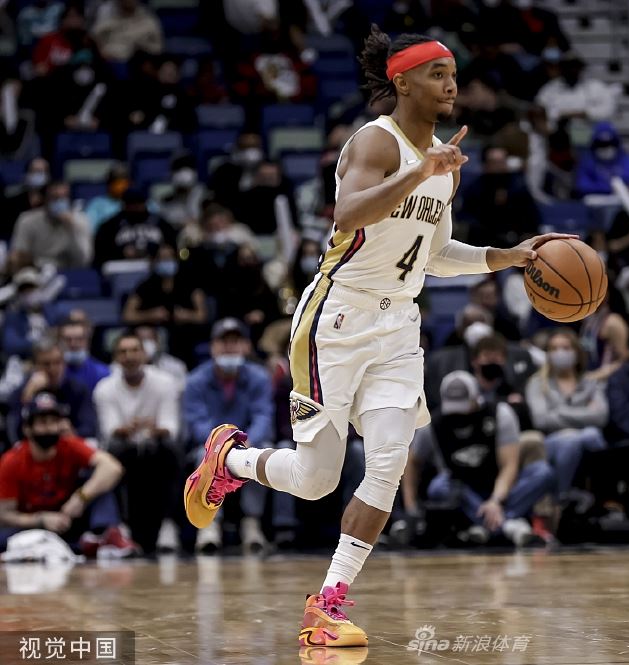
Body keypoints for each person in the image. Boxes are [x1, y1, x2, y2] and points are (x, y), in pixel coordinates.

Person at [182, 26, 571, 648]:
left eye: (453, 74)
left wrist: (507, 257)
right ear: (403, 82)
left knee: (389, 461)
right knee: (316, 479)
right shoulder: (375, 141)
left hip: (398, 326)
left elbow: (434, 254)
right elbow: (348, 213)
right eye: (438, 74)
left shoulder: (443, 162)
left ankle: (327, 604)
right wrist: (419, 173)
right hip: (336, 319)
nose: (451, 85)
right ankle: (228, 459)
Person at [403, 371, 555, 546]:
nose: (458, 414)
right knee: (439, 486)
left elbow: (509, 466)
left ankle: (486, 526)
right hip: (463, 491)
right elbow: (411, 462)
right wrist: (410, 507)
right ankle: (507, 526)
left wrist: (495, 501)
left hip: (500, 487)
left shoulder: (500, 414)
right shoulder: (432, 424)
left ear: (476, 398)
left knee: (542, 472)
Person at [0, 392, 132, 557]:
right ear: (27, 428)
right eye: (42, 423)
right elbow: (4, 514)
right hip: (32, 525)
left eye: (54, 422)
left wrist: (81, 497)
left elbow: (112, 468)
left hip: (69, 518)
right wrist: (40, 519)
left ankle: (103, 536)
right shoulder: (12, 460)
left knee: (100, 482)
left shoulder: (69, 444)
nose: (49, 428)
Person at [182, 318, 275, 554]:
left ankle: (251, 524)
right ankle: (209, 525)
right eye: (223, 342)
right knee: (200, 458)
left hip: (249, 442)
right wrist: (222, 447)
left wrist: (248, 442)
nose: (229, 348)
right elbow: (197, 423)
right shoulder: (195, 380)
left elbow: (263, 416)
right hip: (209, 447)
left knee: (262, 454)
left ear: (246, 346)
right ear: (212, 347)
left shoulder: (259, 377)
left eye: (235, 342)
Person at [93, 332, 180, 554]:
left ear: (145, 354)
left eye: (134, 350)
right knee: (113, 451)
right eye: (123, 352)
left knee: (170, 449)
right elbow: (111, 430)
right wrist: (134, 428)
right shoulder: (104, 388)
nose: (129, 356)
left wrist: (150, 429)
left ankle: (168, 525)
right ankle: (121, 526)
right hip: (125, 449)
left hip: (156, 446)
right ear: (115, 358)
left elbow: (170, 427)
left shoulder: (165, 382)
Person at [525, 329, 607, 497]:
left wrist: (559, 412)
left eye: (565, 348)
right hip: (550, 442)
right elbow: (541, 420)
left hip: (585, 437)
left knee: (592, 435)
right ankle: (562, 497)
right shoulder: (537, 383)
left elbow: (601, 416)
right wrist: (585, 413)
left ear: (576, 352)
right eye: (554, 348)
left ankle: (602, 495)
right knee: (573, 440)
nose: (560, 352)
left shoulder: (590, 382)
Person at [8, 339, 98, 443]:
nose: (53, 369)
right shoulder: (22, 391)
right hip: (35, 446)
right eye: (46, 364)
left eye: (57, 362)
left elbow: (89, 428)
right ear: (35, 366)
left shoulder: (78, 389)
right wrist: (28, 397)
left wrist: (72, 432)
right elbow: (14, 435)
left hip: (68, 444)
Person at [9, 181, 92, 271]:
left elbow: (83, 260)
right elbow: (19, 254)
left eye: (64, 198)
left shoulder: (81, 220)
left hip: (67, 271)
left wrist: (71, 228)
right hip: (35, 270)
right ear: (45, 199)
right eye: (55, 198)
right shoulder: (27, 220)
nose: (59, 202)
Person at [574, 121, 629, 196]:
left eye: (610, 144)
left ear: (616, 143)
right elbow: (582, 186)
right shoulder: (587, 162)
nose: (605, 148)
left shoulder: (628, 160)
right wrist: (609, 188)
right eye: (601, 144)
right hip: (596, 200)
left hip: (623, 200)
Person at [90, 0, 163, 63]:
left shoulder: (148, 20)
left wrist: (142, 49)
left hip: (141, 62)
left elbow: (158, 48)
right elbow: (93, 37)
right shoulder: (108, 20)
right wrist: (102, 52)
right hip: (113, 62)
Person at [59, 319, 111, 394]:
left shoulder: (103, 373)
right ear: (59, 341)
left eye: (79, 339)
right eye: (68, 339)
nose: (73, 344)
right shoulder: (52, 372)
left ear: (88, 341)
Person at [84, 164, 130, 235]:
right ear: (109, 184)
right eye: (117, 183)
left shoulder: (136, 204)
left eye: (124, 183)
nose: (122, 186)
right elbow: (89, 229)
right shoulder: (97, 204)